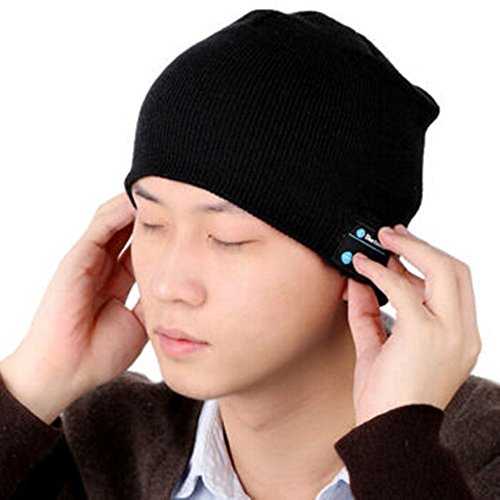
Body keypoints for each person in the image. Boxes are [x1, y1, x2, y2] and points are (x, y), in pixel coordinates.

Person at [1, 8, 499, 500]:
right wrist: (34, 382)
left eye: (227, 238)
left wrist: (400, 450)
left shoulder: (485, 457)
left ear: (361, 261)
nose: (167, 286)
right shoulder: (103, 442)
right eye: (151, 223)